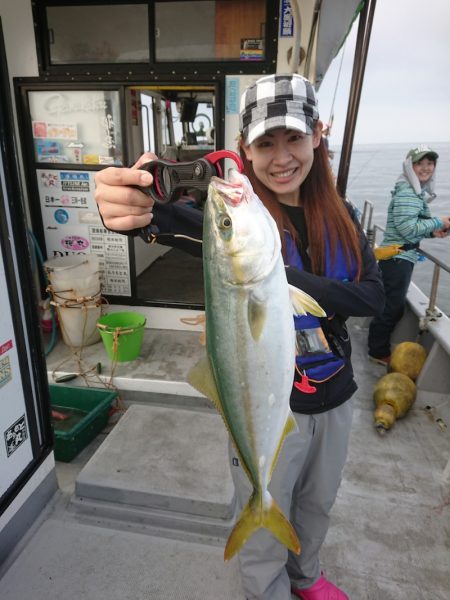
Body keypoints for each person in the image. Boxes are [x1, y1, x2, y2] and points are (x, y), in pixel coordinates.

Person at [95, 73, 385, 600]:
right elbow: (168, 221)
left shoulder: (342, 219)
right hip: (268, 406)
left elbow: (371, 298)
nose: (281, 158)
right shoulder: (241, 217)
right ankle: (265, 590)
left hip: (336, 394)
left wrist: (279, 278)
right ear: (246, 152)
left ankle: (307, 575)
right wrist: (129, 209)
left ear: (317, 136)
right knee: (265, 496)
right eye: (265, 143)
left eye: (293, 138)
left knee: (318, 501)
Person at [368, 146, 450, 365]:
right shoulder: (408, 193)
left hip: (399, 257)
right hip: (397, 260)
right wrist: (438, 222)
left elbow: (411, 227)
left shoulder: (412, 191)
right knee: (391, 308)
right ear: (409, 166)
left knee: (392, 305)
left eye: (430, 164)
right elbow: (407, 230)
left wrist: (434, 231)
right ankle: (377, 351)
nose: (425, 168)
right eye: (419, 164)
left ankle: (377, 347)